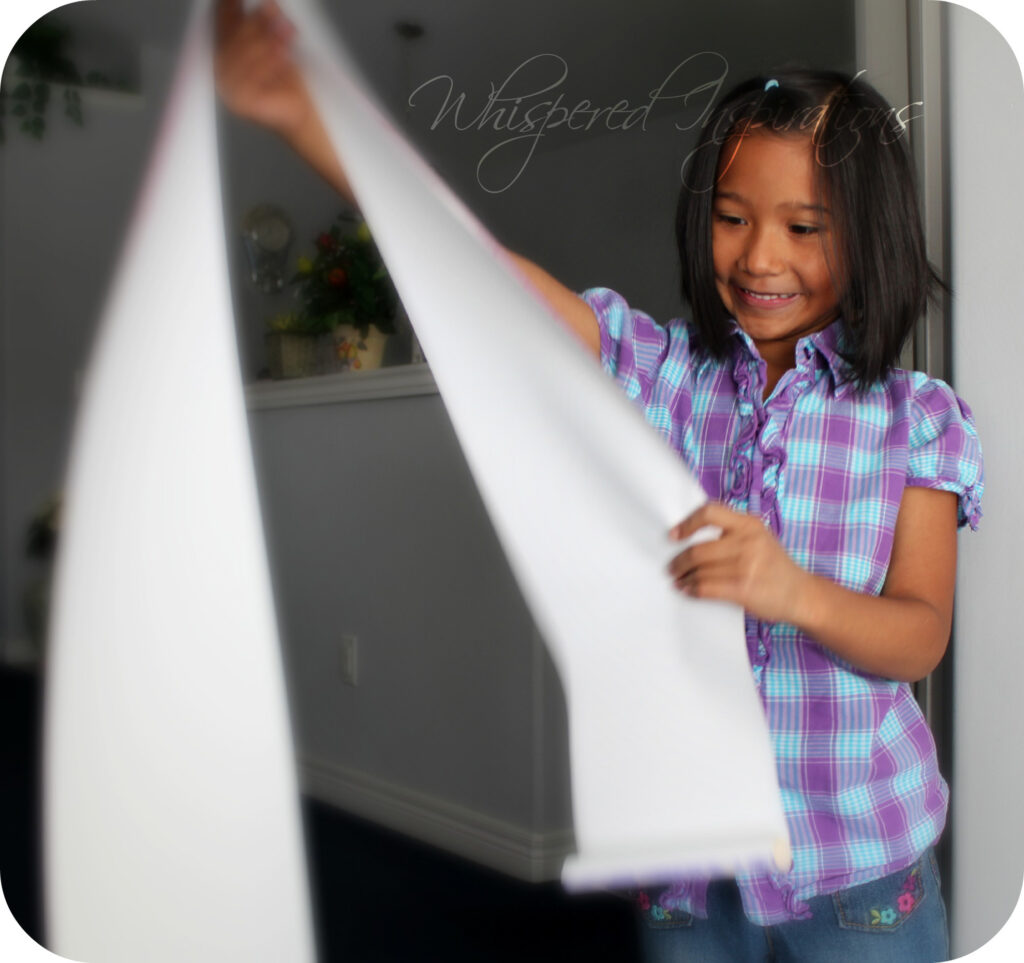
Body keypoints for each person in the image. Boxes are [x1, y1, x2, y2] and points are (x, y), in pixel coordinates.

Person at [216, 2, 983, 960]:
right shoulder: (661, 371)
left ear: (870, 235)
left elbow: (920, 634)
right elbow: (478, 273)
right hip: (687, 867)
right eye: (733, 217)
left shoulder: (918, 418)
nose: (760, 257)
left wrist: (793, 591)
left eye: (803, 226)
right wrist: (307, 123)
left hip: (860, 873)